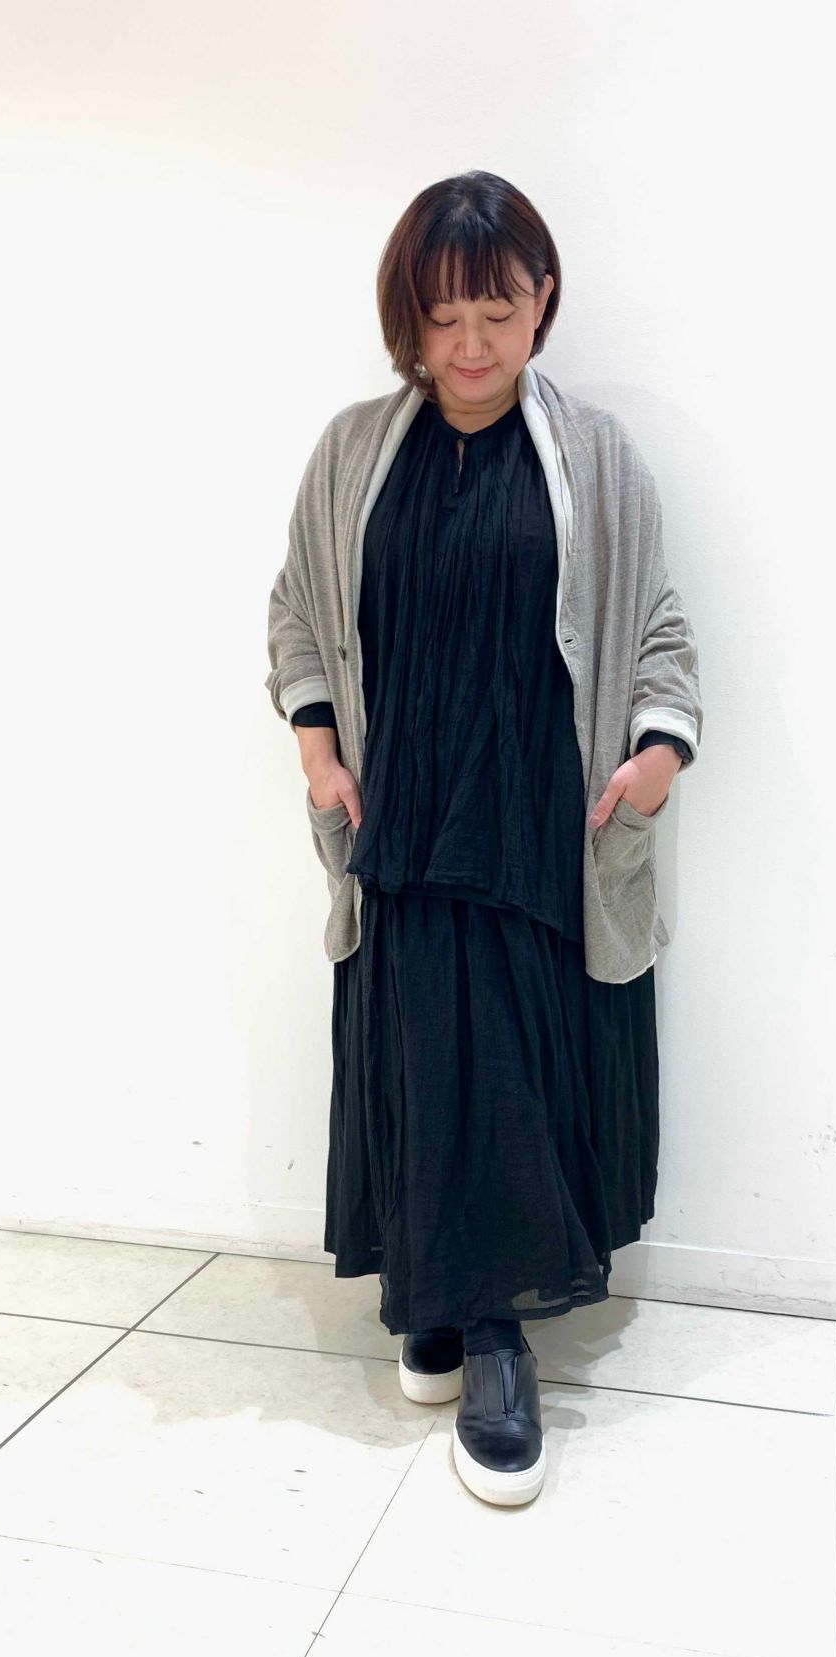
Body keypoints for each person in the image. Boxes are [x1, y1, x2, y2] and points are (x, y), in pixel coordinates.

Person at [265, 170, 702, 1506]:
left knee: (508, 1077)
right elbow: (296, 613)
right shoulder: (354, 451)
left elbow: (661, 631)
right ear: (405, 315)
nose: (469, 347)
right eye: (443, 317)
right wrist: (320, 751)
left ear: (543, 302)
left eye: (497, 314)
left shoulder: (597, 459)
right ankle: (437, 1304)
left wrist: (655, 761)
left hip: (533, 823)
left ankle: (493, 1337)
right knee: (419, 1061)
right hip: (400, 822)